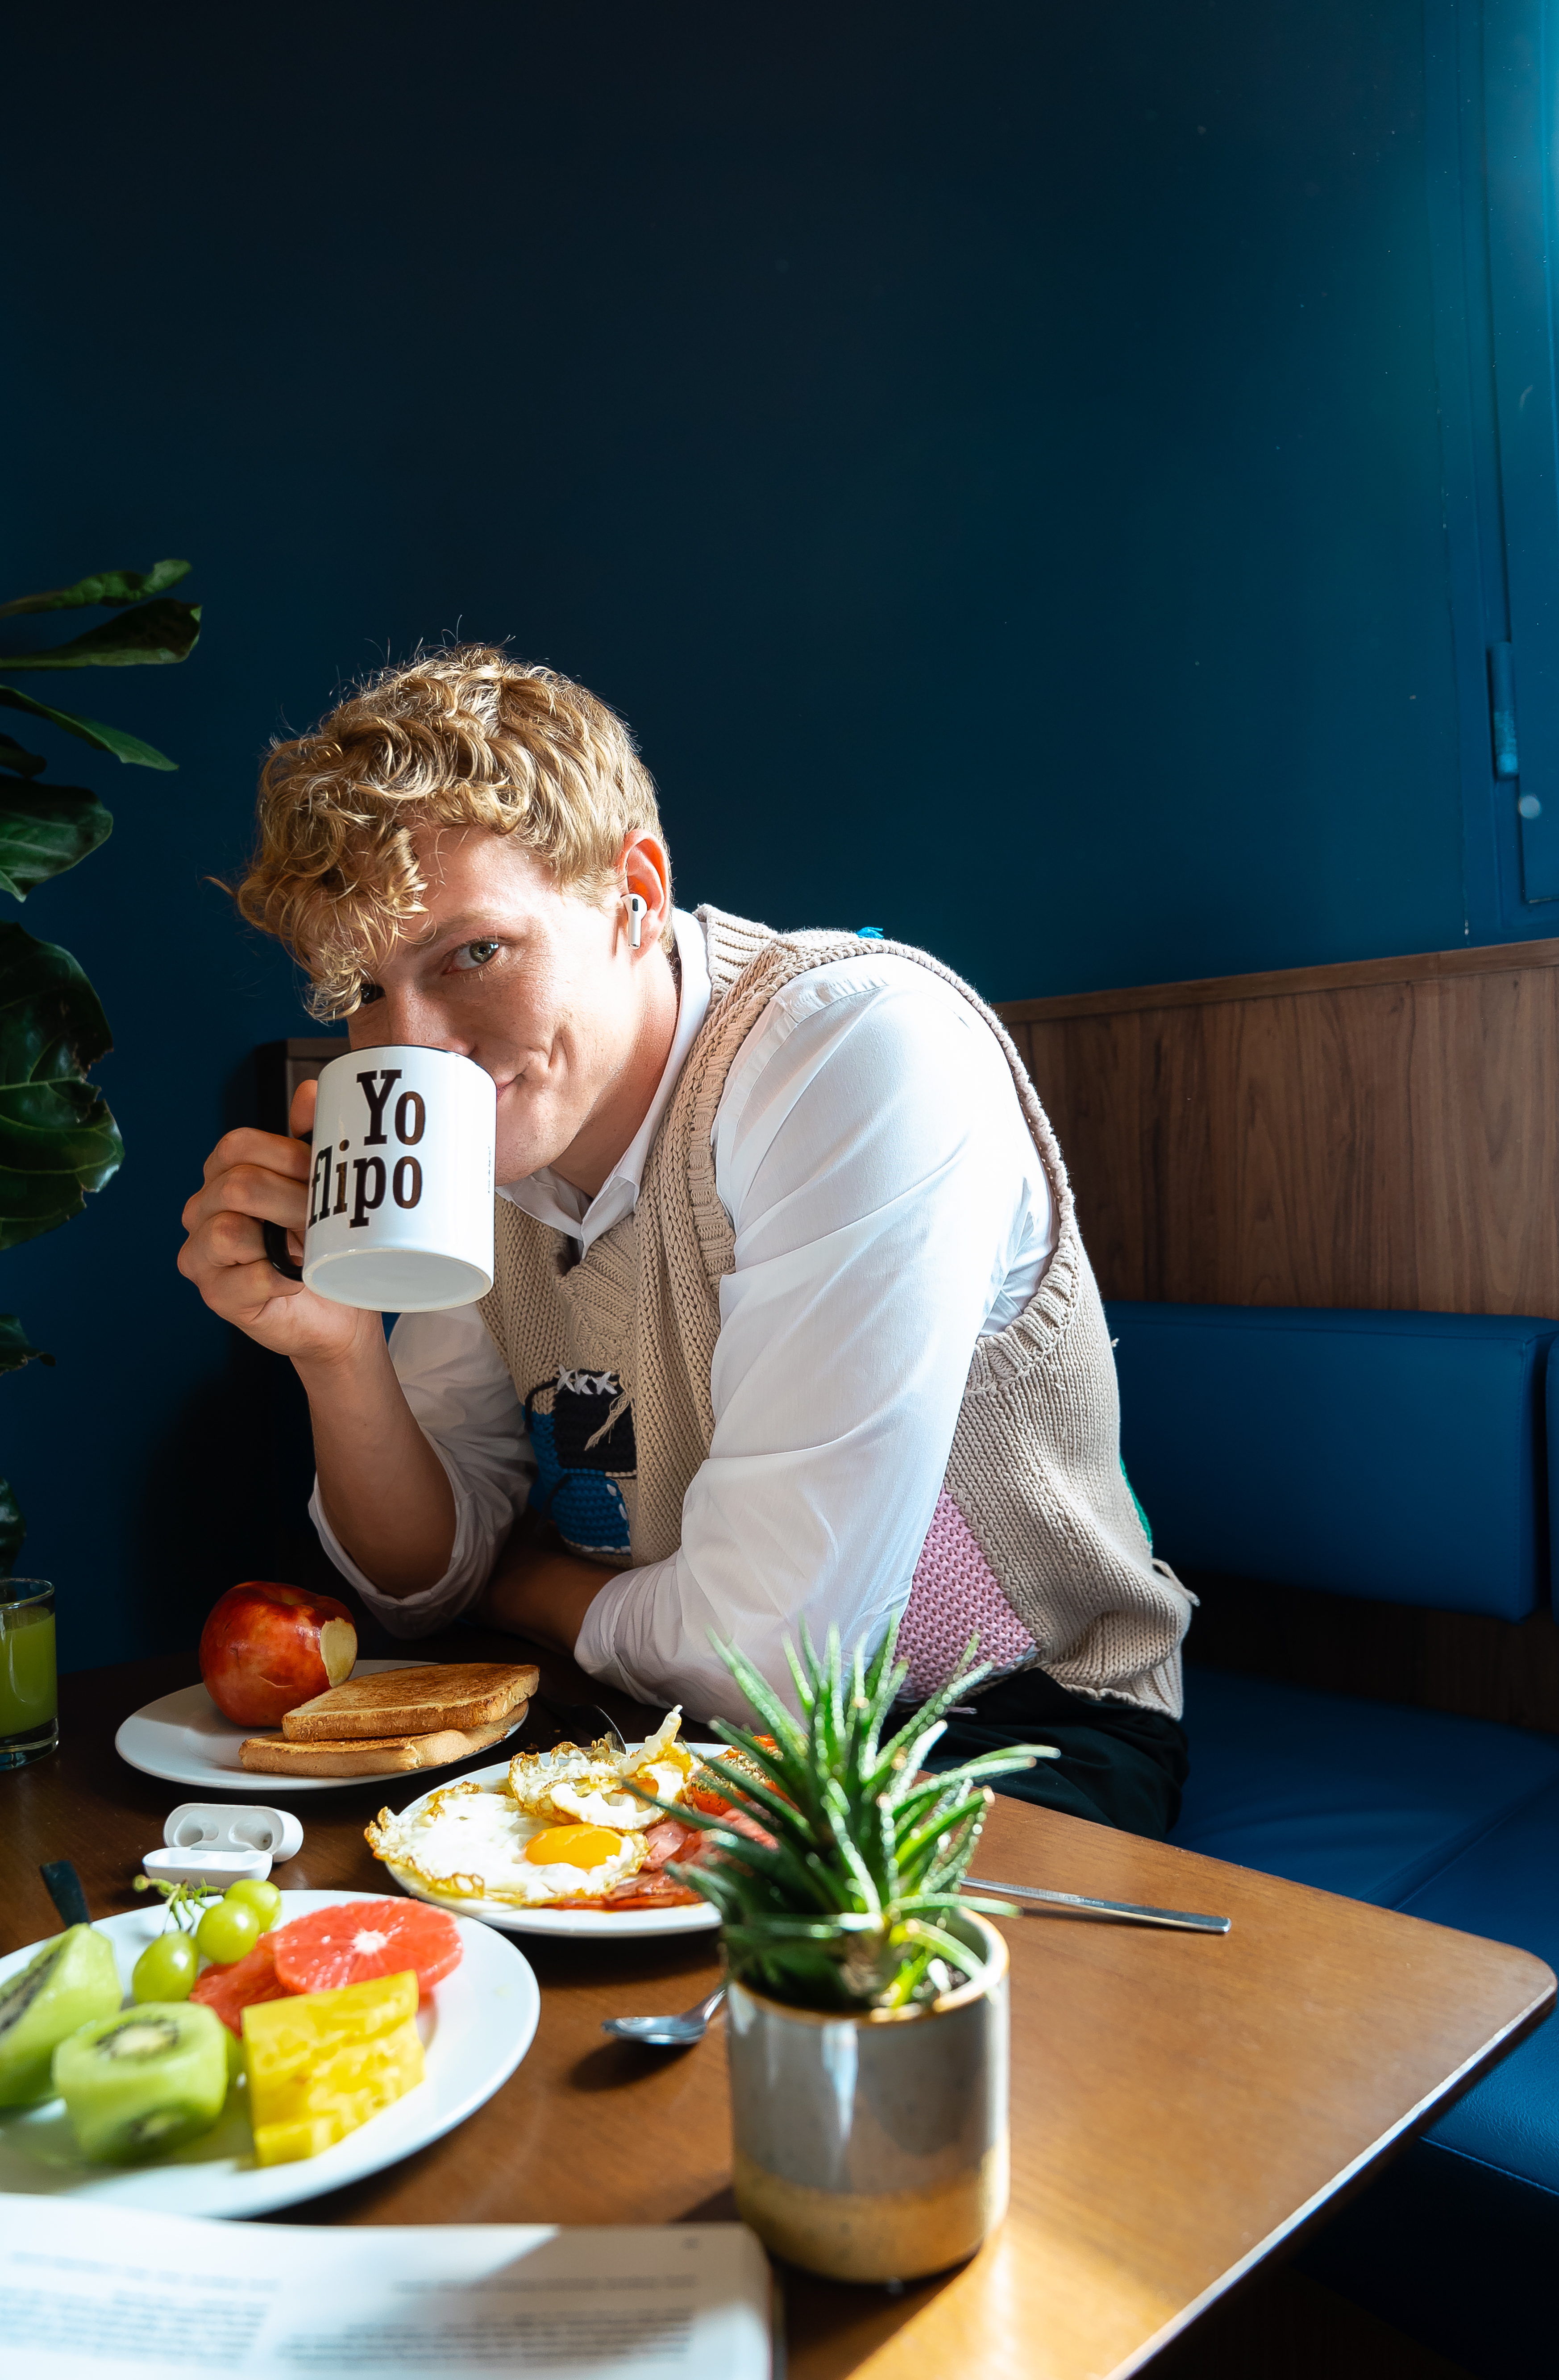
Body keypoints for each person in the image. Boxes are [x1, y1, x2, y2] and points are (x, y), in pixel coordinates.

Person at [178, 648, 1191, 1835]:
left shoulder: (856, 1052)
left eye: (473, 953)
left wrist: (531, 1585)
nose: (418, 1045)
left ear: (636, 895)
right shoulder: (494, 1141)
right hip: (652, 1721)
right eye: (364, 988)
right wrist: (338, 1351)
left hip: (993, 1732)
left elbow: (777, 1662)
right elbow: (423, 1588)